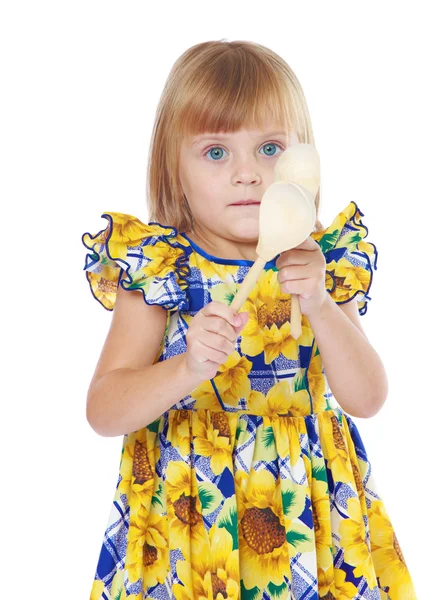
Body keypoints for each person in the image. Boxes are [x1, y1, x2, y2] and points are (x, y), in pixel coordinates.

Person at [82, 40, 416, 600]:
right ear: (174, 169)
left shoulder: (321, 265)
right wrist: (185, 368)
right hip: (190, 516)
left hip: (309, 515)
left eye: (269, 149)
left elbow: (367, 398)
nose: (247, 175)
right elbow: (104, 409)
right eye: (216, 153)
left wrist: (322, 308)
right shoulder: (162, 272)